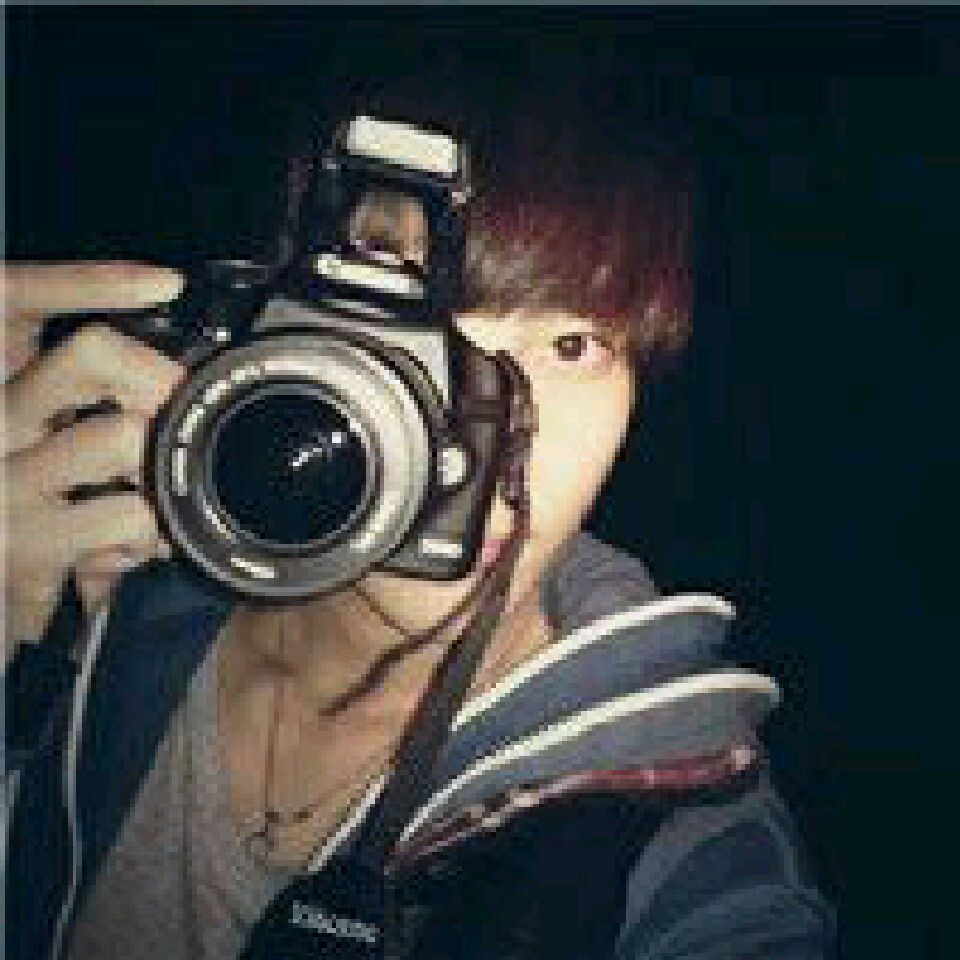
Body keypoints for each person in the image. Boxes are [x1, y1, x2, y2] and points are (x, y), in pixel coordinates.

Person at [4, 112, 836, 959]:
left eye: (570, 344)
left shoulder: (665, 828)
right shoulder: (86, 587)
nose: (477, 455)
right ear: (264, 336)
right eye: (418, 346)